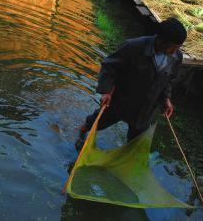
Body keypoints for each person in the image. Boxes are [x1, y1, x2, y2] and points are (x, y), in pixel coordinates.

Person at [76, 18, 187, 150]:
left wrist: (166, 98)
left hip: (145, 109)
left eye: (178, 48)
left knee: (135, 141)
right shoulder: (134, 47)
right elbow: (110, 66)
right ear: (161, 41)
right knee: (94, 123)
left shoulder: (176, 57)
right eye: (173, 47)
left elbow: (169, 79)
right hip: (121, 100)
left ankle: (123, 158)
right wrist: (107, 91)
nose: (175, 51)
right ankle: (81, 133)